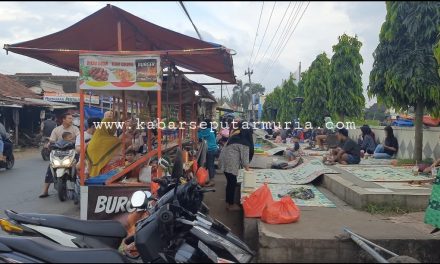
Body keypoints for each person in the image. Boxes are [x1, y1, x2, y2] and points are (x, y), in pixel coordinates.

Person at [86, 111, 135, 178]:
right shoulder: (114, 141)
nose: (114, 129)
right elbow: (123, 149)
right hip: (110, 174)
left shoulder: (91, 142)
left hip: (94, 175)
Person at [219, 119, 252, 211]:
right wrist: (250, 172)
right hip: (230, 164)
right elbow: (245, 162)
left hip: (224, 162)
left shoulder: (235, 136)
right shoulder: (244, 142)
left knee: (230, 182)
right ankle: (231, 205)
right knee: (232, 183)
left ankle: (228, 203)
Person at [39, 131, 75, 198]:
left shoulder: (75, 128)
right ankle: (45, 191)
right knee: (50, 168)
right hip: (58, 154)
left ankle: (80, 188)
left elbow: (79, 139)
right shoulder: (57, 129)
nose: (70, 120)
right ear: (64, 119)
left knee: (78, 166)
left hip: (71, 155)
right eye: (69, 119)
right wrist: (48, 145)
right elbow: (52, 140)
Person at [198, 118, 218, 187]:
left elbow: (199, 136)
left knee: (209, 165)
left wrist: (198, 130)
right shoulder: (211, 130)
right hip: (214, 149)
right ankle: (208, 179)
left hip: (210, 150)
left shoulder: (206, 130)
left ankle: (212, 180)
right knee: (209, 165)